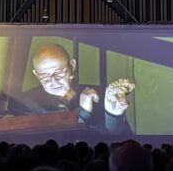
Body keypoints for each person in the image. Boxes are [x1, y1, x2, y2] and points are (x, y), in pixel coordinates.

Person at [7, 43, 135, 135]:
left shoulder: (100, 94)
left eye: (59, 73)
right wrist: (83, 112)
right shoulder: (24, 103)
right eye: (44, 76)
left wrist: (114, 115)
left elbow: (120, 141)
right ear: (36, 74)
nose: (53, 80)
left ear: (72, 67)